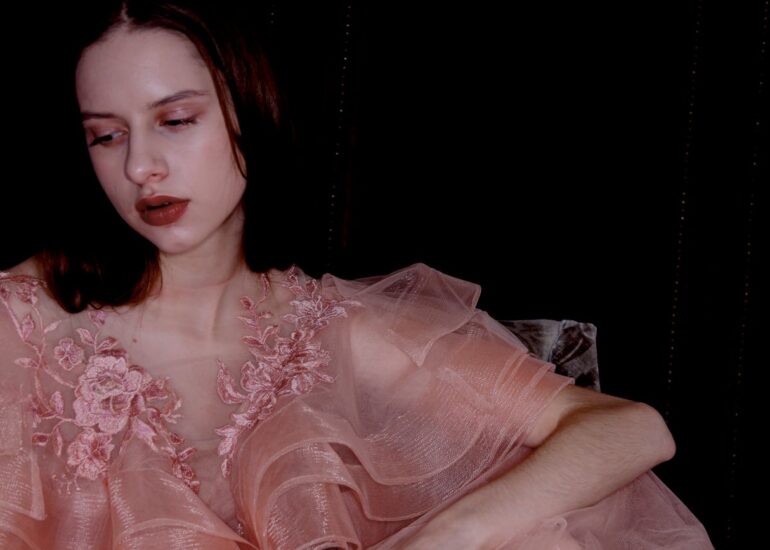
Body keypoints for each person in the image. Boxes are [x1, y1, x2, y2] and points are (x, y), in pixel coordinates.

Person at [0, 1, 713, 548]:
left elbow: (631, 430)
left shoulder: (332, 331)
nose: (139, 167)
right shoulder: (25, 319)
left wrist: (452, 534)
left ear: (250, 109)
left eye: (176, 120)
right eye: (106, 135)